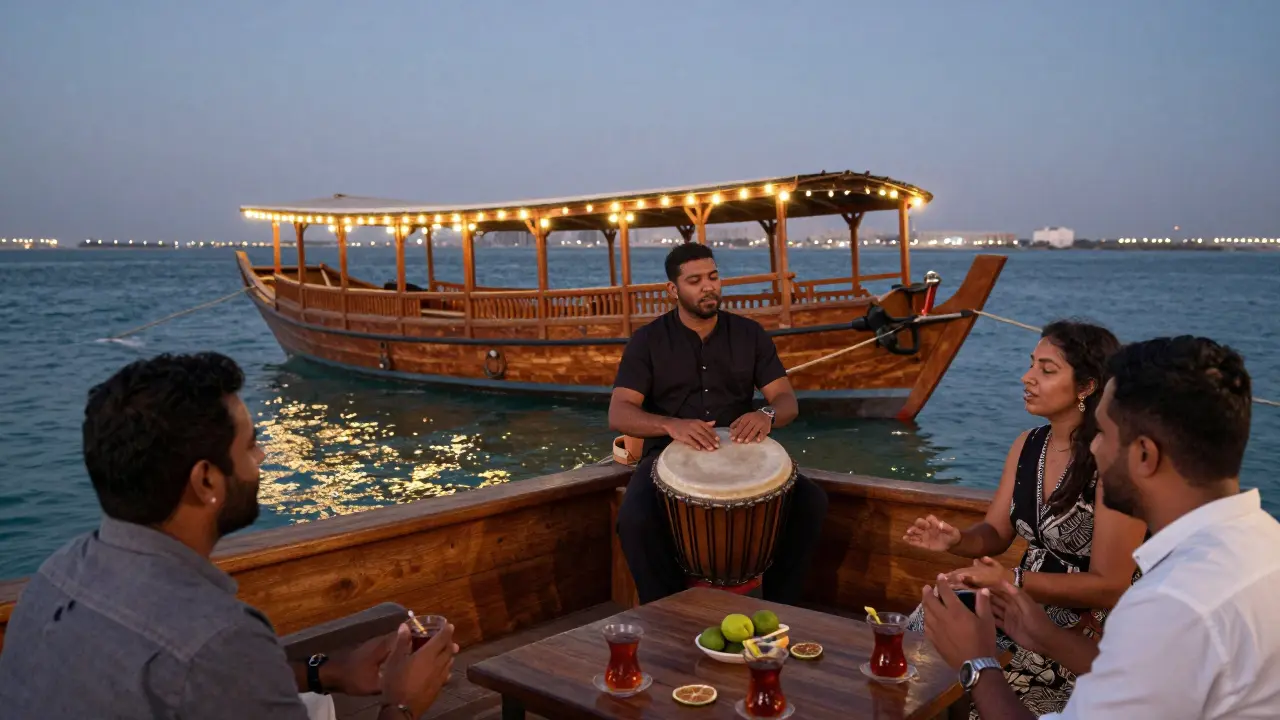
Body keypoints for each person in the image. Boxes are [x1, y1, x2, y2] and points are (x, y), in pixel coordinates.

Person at [0, 352, 455, 720]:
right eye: (250, 444)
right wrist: (402, 703)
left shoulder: (55, 574)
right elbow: (207, 664)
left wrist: (326, 672)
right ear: (207, 482)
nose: (262, 456)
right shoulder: (216, 638)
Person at [924, 335, 1280, 719]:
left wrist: (978, 665)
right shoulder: (1263, 543)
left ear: (1145, 455)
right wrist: (1047, 636)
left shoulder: (1172, 603)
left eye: (1104, 435)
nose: (1092, 449)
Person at [902, 320, 1147, 716]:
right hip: (1020, 598)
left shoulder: (1111, 462)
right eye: (1032, 364)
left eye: (1047, 370)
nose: (1028, 377)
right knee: (924, 623)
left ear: (1086, 387)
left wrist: (1010, 581)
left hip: (1087, 626)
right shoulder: (1028, 444)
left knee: (990, 695)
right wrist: (956, 540)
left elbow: (1111, 585)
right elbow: (997, 532)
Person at [611, 242, 828, 605]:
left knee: (812, 502)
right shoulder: (647, 341)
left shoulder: (749, 334)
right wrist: (670, 425)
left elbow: (786, 401)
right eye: (694, 280)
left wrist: (766, 414)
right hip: (666, 458)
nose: (708, 286)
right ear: (673, 290)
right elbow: (619, 412)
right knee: (633, 522)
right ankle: (665, 611)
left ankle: (779, 607)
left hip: (740, 451)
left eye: (713, 277)